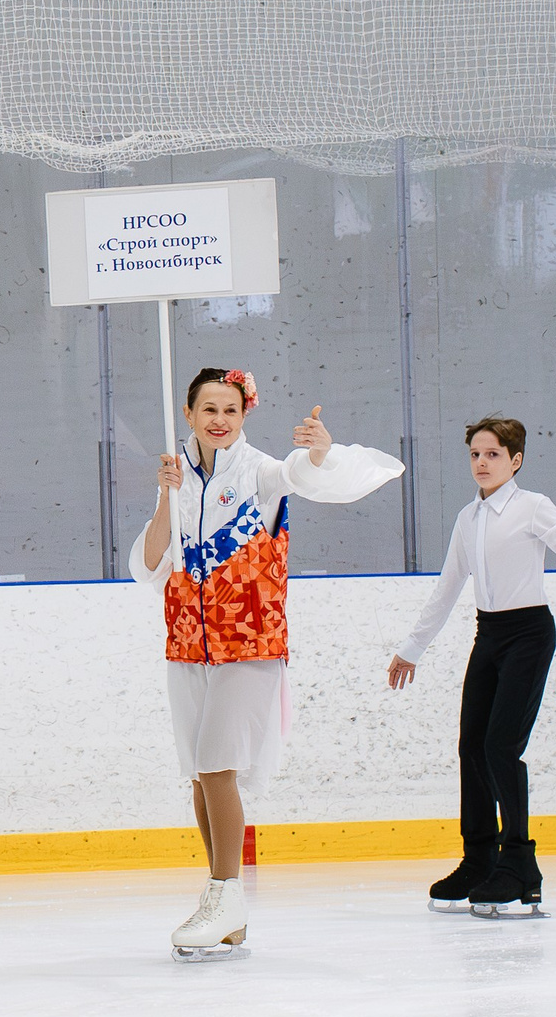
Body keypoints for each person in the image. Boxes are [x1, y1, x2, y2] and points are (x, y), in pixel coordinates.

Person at [132, 368, 403, 961]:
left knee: (217, 766)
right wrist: (163, 497)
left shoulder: (260, 472)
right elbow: (150, 568)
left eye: (230, 409)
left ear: (244, 414)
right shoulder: (176, 479)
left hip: (248, 641)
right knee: (200, 776)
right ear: (188, 413)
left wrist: (321, 454)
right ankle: (224, 906)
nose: (219, 420)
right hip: (186, 643)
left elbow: (306, 477)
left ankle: (226, 893)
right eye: (209, 409)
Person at [386, 418, 556, 919]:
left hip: (529, 636)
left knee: (501, 748)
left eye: (493, 454)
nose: (481, 462)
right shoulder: (467, 519)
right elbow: (448, 586)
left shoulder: (532, 507)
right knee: (471, 745)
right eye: (475, 453)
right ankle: (479, 858)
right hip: (489, 634)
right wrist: (413, 647)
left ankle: (519, 864)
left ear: (514, 460)